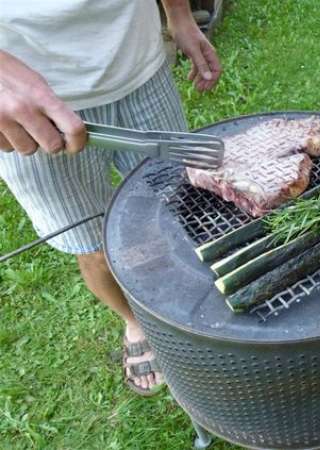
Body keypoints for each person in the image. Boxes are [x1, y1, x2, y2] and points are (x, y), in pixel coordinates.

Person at [0, 0, 221, 396]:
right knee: (95, 244)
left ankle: (198, 296)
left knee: (184, 206)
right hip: (30, 107)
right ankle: (135, 320)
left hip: (140, 67)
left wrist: (180, 17)